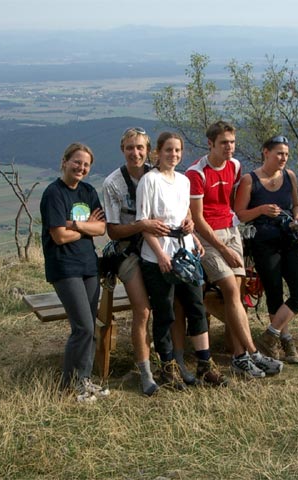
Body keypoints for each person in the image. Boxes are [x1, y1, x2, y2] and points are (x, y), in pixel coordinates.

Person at [101, 127, 196, 396]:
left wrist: (188, 219)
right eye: (130, 148)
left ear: (148, 150)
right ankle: (146, 372)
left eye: (140, 147)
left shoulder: (159, 173)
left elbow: (177, 200)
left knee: (176, 302)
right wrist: (142, 225)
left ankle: (175, 362)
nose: (136, 153)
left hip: (163, 248)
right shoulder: (113, 184)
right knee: (143, 310)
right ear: (123, 150)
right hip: (128, 251)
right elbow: (113, 230)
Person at [186, 120, 283, 378]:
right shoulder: (196, 173)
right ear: (210, 144)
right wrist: (223, 248)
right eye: (224, 143)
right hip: (207, 236)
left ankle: (239, 357)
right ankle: (252, 352)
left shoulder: (235, 166)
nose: (230, 147)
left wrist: (235, 232)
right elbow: (197, 218)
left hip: (231, 230)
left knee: (238, 294)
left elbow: (229, 203)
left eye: (232, 142)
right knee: (229, 288)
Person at [136, 132, 228, 389]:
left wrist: (192, 229)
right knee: (164, 312)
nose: (173, 155)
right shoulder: (149, 181)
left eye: (177, 151)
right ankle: (168, 369)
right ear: (158, 152)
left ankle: (205, 365)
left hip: (184, 251)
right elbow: (144, 223)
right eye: (168, 150)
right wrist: (161, 254)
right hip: (158, 257)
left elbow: (184, 209)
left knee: (196, 307)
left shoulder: (184, 180)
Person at [40, 142, 109, 403]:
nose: (81, 167)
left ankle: (84, 379)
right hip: (64, 267)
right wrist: (86, 226)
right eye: (77, 162)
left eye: (86, 164)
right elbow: (58, 236)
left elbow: (101, 228)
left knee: (90, 328)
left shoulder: (89, 191)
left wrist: (76, 224)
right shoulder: (53, 194)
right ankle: (68, 386)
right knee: (82, 327)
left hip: (89, 266)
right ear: (64, 161)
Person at [234, 135, 298, 364]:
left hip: (289, 240)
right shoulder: (250, 180)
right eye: (279, 153)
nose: (283, 158)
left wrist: (297, 217)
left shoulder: (290, 177)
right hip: (264, 244)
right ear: (265, 152)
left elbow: (296, 204)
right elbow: (239, 214)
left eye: (286, 154)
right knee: (274, 293)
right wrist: (261, 210)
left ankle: (271, 334)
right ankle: (284, 341)